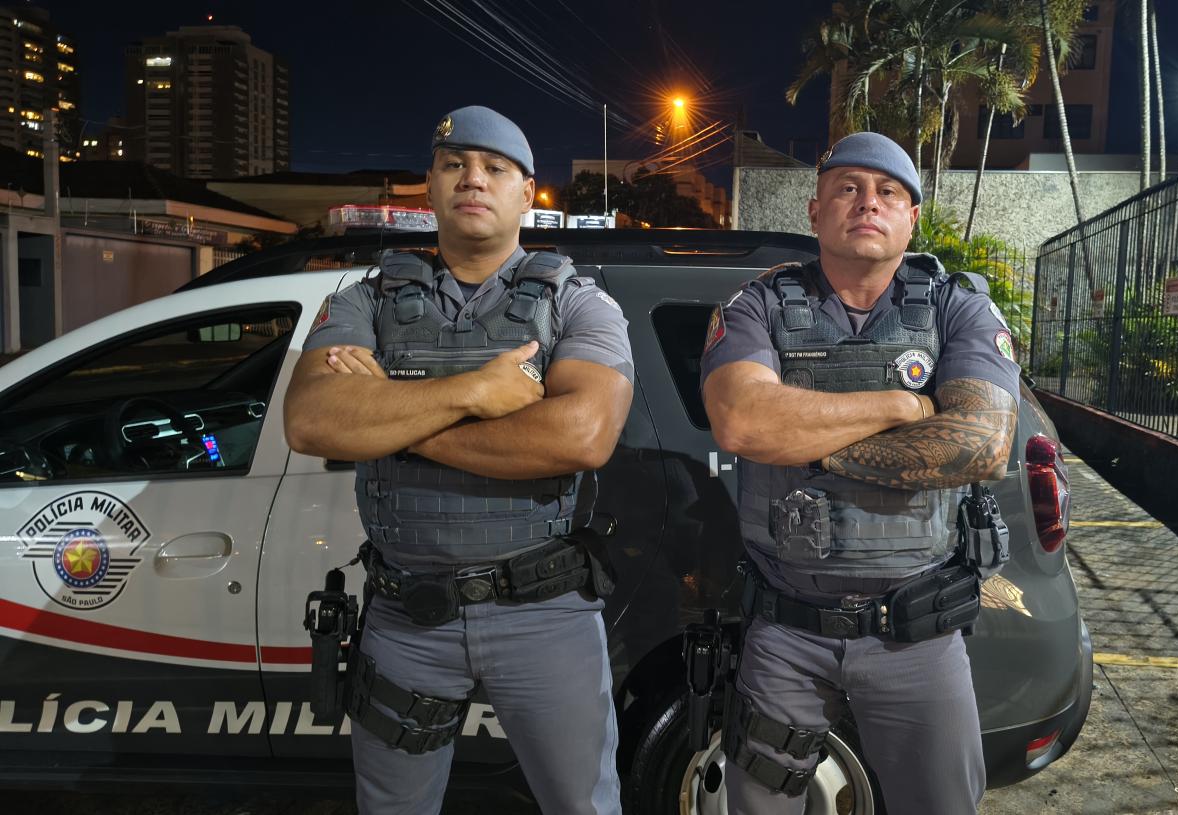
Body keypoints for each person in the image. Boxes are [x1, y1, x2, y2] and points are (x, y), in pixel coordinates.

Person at [283, 105, 633, 815]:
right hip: (407, 614)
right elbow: (311, 418)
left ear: (526, 191)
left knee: (583, 806)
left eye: (494, 168)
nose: (472, 178)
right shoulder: (365, 300)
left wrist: (392, 417)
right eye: (454, 165)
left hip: (544, 613)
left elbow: (582, 436)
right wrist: (476, 392)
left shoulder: (579, 303)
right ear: (431, 185)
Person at [699, 131, 1021, 814]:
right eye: (847, 188)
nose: (868, 202)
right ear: (816, 212)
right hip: (786, 633)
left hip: (917, 635)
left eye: (888, 192)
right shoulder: (757, 305)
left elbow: (981, 445)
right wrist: (902, 407)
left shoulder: (956, 306)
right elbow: (743, 423)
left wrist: (806, 442)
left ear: (912, 216)